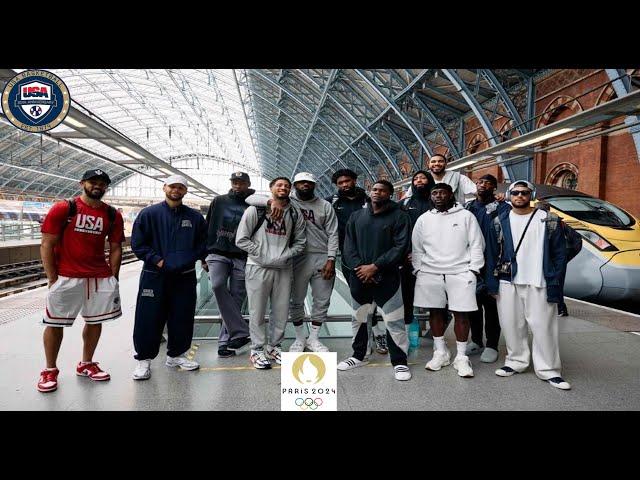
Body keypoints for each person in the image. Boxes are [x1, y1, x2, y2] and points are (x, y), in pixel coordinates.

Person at [38, 169, 124, 393]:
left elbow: (116, 247)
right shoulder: (64, 208)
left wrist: (113, 277)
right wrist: (52, 279)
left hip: (99, 276)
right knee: (54, 323)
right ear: (82, 183)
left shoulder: (113, 214)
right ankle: (49, 370)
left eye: (102, 183)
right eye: (93, 182)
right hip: (67, 277)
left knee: (95, 321)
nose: (98, 186)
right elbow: (46, 244)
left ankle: (86, 363)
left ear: (106, 187)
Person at [484, 181, 571, 390]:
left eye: (524, 193)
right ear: (509, 196)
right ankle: (515, 362)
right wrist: (492, 283)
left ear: (531, 194)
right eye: (515, 193)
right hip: (508, 281)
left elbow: (560, 253)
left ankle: (549, 370)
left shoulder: (548, 219)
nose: (520, 196)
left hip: (540, 281)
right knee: (512, 326)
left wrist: (556, 279)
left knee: (544, 327)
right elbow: (491, 253)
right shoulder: (499, 220)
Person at [246, 172, 338, 353]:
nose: (305, 185)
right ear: (294, 186)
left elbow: (333, 233)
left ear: (314, 185)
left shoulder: (325, 206)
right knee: (296, 300)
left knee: (322, 299)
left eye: (309, 183)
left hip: (321, 256)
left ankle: (314, 338)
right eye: (300, 183)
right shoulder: (288, 203)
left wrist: (331, 258)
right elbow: (250, 197)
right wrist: (269, 202)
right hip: (295, 258)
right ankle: (299, 338)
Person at [131, 174, 208, 380]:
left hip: (184, 276)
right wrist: (158, 260)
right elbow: (138, 244)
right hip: (154, 275)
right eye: (173, 186)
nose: (176, 190)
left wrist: (194, 259)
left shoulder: (194, 218)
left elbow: (203, 244)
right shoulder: (148, 214)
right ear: (165, 188)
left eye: (181, 188)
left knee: (182, 316)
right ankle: (143, 360)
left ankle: (176, 355)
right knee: (149, 317)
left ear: (185, 191)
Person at [338, 180, 412, 381]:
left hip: (387, 277)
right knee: (359, 318)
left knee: (394, 320)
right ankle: (359, 355)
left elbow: (400, 247)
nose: (377, 193)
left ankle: (399, 361)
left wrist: (375, 266)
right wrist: (359, 268)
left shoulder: (399, 217)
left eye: (382, 190)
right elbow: (348, 245)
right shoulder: (356, 216)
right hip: (360, 276)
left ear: (390, 194)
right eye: (374, 189)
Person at [412, 183, 485, 378]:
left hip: (461, 271)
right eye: (434, 193)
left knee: (461, 314)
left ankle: (461, 357)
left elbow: (477, 243)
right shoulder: (423, 219)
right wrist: (419, 269)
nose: (438, 196)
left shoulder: (466, 216)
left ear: (450, 195)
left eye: (442, 192)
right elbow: (417, 248)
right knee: (435, 312)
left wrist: (473, 270)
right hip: (430, 272)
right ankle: (440, 352)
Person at [235, 177, 306, 369]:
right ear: (271, 188)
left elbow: (301, 241)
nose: (283, 188)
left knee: (281, 311)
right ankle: (257, 349)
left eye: (286, 186)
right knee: (257, 310)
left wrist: (285, 255)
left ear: (290, 190)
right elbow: (241, 240)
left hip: (283, 268)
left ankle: (274, 346)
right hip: (258, 267)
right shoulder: (255, 210)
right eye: (279, 185)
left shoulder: (294, 213)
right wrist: (262, 254)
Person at [326, 169, 387, 354]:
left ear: (354, 180)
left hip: (372, 254)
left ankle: (377, 333)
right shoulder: (332, 202)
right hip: (348, 257)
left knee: (375, 296)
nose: (344, 185)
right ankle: (364, 339)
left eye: (347, 181)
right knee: (359, 297)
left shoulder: (368, 199)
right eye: (340, 183)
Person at [204, 172, 254, 358]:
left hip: (242, 256)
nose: (238, 186)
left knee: (236, 298)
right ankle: (242, 331)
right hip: (218, 252)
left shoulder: (253, 203)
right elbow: (208, 225)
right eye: (235, 182)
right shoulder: (219, 201)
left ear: (248, 184)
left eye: (241, 183)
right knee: (217, 285)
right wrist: (204, 255)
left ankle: (225, 342)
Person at [463, 174, 510, 363]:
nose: (483, 185)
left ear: (494, 188)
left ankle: (492, 344)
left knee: (491, 306)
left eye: (488, 183)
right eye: (480, 182)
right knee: (472, 305)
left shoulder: (502, 207)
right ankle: (476, 340)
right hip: (470, 262)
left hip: (492, 262)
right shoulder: (468, 207)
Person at [400, 170, 435, 329]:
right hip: (409, 258)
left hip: (435, 258)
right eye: (416, 179)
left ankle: (435, 333)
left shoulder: (437, 202)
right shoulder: (405, 204)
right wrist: (407, 252)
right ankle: (409, 329)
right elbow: (400, 231)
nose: (419, 181)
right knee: (407, 294)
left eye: (423, 178)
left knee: (435, 295)